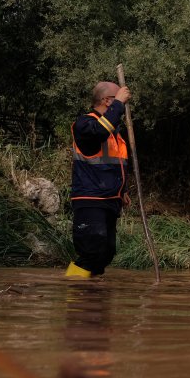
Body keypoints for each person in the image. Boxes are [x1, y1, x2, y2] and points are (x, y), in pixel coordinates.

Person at [65, 81, 132, 278]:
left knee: (106, 252)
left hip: (110, 199)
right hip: (90, 199)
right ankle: (74, 290)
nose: (122, 105)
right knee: (92, 251)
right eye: (118, 99)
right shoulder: (85, 124)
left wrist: (123, 190)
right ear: (106, 100)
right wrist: (119, 103)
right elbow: (99, 132)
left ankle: (93, 299)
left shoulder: (113, 132)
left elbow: (115, 164)